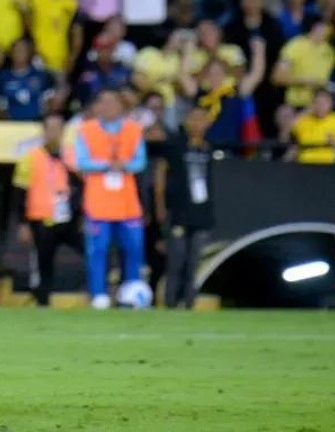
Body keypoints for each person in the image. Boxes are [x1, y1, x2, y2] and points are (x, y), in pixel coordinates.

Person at [73, 88, 148, 309]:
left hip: (127, 203)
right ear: (96, 107)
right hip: (99, 203)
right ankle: (99, 294)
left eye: (112, 103)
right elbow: (82, 162)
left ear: (121, 106)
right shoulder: (86, 130)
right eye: (103, 103)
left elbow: (140, 162)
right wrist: (107, 165)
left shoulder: (134, 130)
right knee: (98, 250)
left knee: (133, 249)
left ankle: (132, 293)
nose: (108, 107)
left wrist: (124, 165)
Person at [12, 114, 82, 306]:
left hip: (69, 219)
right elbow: (20, 193)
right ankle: (43, 302)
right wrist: (23, 223)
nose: (54, 134)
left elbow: (82, 184)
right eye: (50, 129)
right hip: (42, 218)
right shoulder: (30, 157)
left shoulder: (71, 154)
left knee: (90, 252)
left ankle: (100, 294)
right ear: (43, 131)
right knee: (44, 262)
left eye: (58, 129)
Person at [154, 107, 216, 309]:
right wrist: (160, 207)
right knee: (176, 262)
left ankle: (189, 304)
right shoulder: (175, 146)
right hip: (178, 212)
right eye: (194, 119)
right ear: (187, 122)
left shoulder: (208, 148)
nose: (198, 124)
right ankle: (171, 304)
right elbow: (160, 177)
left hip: (201, 214)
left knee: (194, 264)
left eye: (203, 119)